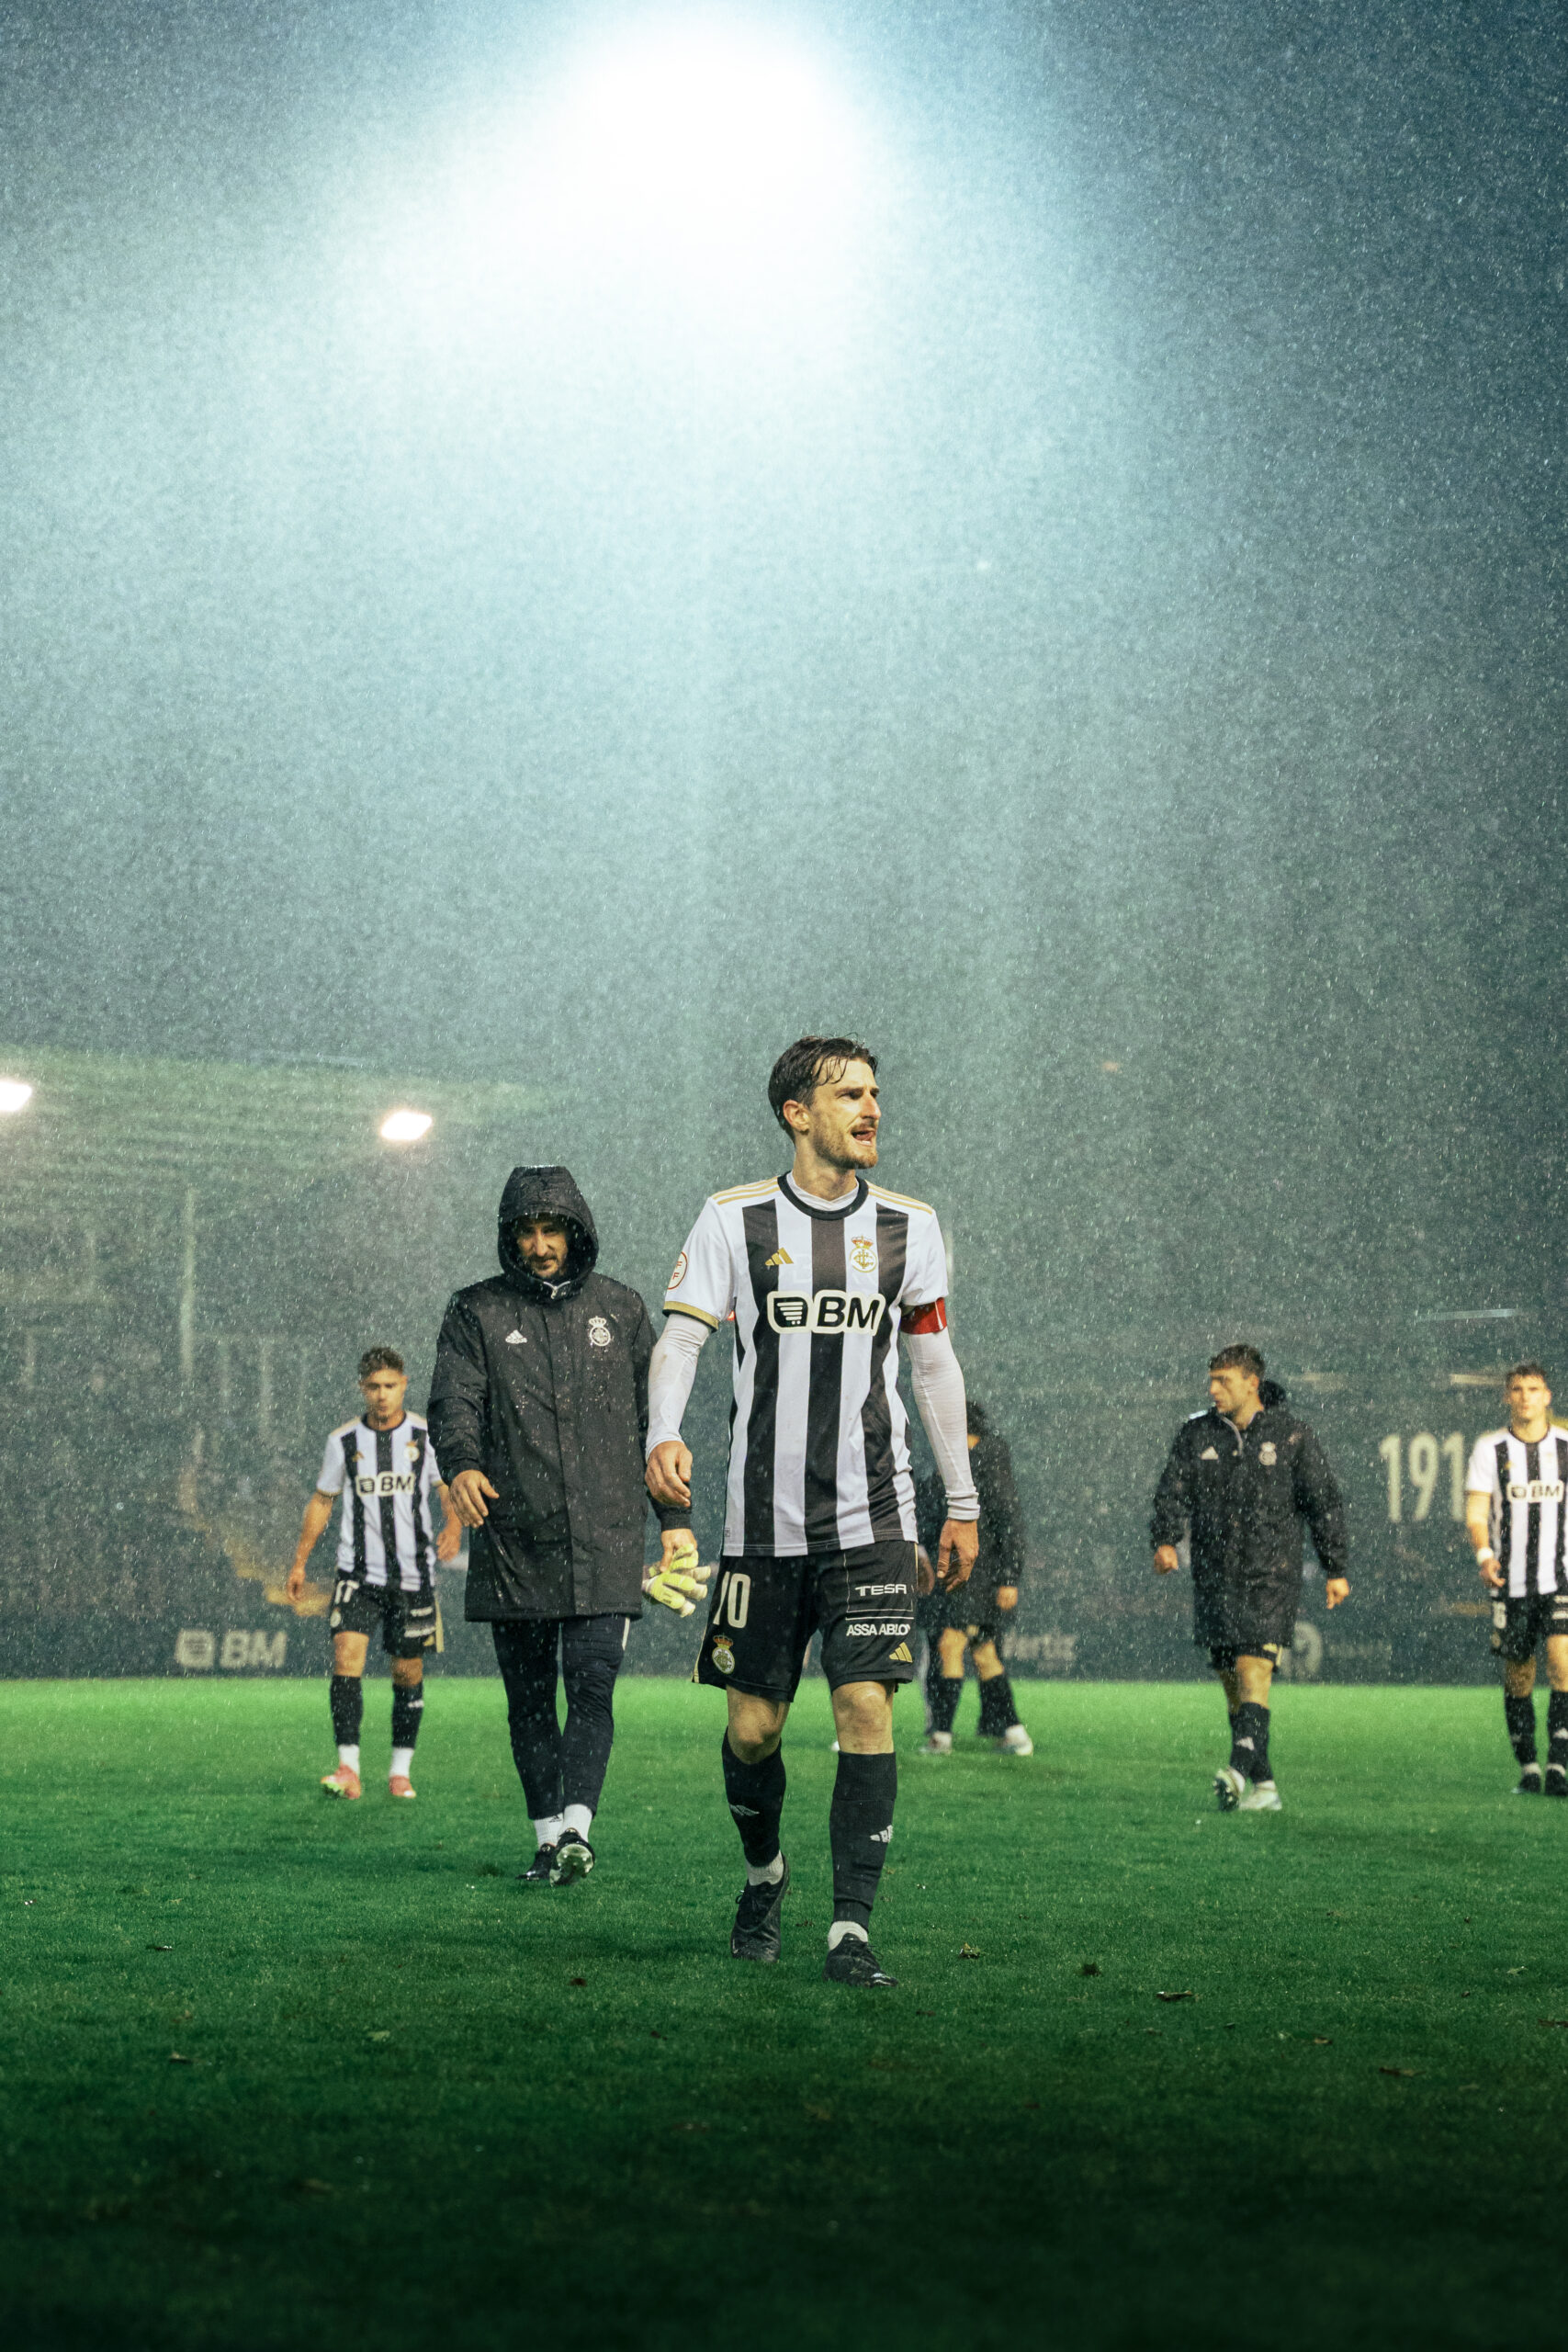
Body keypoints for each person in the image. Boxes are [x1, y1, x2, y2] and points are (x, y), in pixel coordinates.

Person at [645, 1035, 979, 1989]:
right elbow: (681, 1340)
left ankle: (849, 1930)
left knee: (865, 1708)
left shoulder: (911, 1226)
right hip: (762, 1524)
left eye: (874, 1092)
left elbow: (932, 1367)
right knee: (753, 1729)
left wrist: (960, 1502)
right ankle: (764, 1875)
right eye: (848, 1095)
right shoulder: (734, 1218)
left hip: (874, 1517)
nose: (871, 1108)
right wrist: (660, 1433)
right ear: (797, 1114)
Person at [427, 1167, 707, 1886]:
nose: (540, 1245)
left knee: (590, 1683)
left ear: (576, 1231)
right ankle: (546, 1837)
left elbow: (656, 1423)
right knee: (528, 1701)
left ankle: (578, 1829)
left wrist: (674, 1520)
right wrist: (461, 1465)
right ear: (509, 1238)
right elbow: (454, 1402)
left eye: (552, 1230)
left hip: (606, 1536)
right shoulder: (475, 1312)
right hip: (514, 1538)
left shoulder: (620, 1308)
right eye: (526, 1231)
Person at [1151, 1343, 1348, 1813]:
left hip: (1270, 1575)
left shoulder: (1292, 1435)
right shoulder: (1197, 1433)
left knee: (1252, 1669)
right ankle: (1265, 1786)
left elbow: (1323, 1504)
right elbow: (1171, 1490)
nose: (1213, 1389)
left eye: (1223, 1380)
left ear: (1251, 1383)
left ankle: (1237, 1770)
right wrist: (1165, 1539)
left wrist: (1335, 1567)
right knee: (1232, 1683)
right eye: (1211, 1380)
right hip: (1214, 1575)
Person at [288, 1346, 461, 1801]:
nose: (382, 1395)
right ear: (361, 1389)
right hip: (357, 1574)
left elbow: (446, 1487)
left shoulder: (425, 1436)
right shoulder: (343, 1441)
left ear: (404, 1385)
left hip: (413, 1576)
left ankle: (400, 1771)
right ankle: (348, 1767)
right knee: (346, 1658)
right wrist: (300, 1560)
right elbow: (323, 1500)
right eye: (373, 1387)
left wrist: (454, 1526)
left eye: (389, 1386)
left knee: (406, 1672)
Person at [1465, 1363, 1568, 1795]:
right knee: (1520, 1677)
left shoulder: (1565, 1446)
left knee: (1563, 1668)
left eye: (1534, 1389)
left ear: (1547, 1396)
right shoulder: (1490, 1449)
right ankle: (1529, 1767)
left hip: (1560, 1577)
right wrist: (1485, 1554)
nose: (1526, 1397)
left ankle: (1559, 1766)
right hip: (1512, 1582)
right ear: (1507, 1397)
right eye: (1518, 1389)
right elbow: (1476, 1511)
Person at [915, 1399, 1032, 1756]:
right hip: (965, 1572)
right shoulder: (958, 1461)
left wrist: (1009, 1578)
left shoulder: (984, 1462)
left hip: (974, 1573)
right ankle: (1015, 1733)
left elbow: (1009, 1522)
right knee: (984, 1653)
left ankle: (941, 1737)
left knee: (950, 1646)